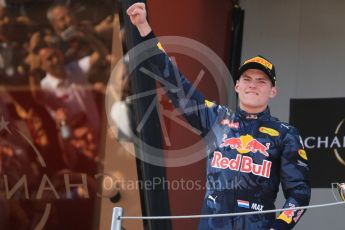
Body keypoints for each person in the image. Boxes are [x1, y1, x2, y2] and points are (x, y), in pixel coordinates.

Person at [126, 3, 311, 230]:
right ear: (236, 86)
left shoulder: (286, 134)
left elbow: (299, 193)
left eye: (261, 81)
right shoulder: (215, 117)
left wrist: (278, 228)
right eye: (247, 79)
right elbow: (175, 84)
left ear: (273, 91)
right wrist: (144, 28)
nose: (253, 85)